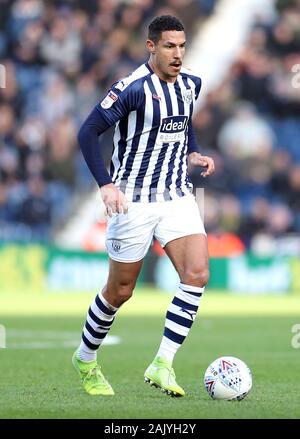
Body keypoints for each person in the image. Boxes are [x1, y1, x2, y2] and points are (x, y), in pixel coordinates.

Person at [73, 15, 215, 397]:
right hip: (131, 200)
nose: (178, 54)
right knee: (120, 291)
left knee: (197, 273)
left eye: (182, 46)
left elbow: (184, 123)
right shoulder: (131, 89)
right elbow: (88, 131)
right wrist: (105, 184)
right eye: (170, 46)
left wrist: (194, 151)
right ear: (151, 46)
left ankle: (163, 363)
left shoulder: (190, 84)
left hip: (176, 196)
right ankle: (85, 359)